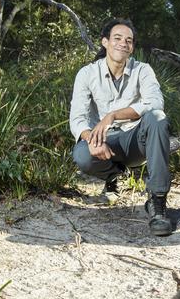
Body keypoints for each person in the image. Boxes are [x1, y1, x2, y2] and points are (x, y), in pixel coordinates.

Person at [69, 18, 173, 237]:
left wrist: (113, 115)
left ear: (132, 47)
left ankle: (157, 202)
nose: (123, 43)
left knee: (157, 117)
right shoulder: (87, 74)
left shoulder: (143, 70)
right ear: (105, 42)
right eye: (117, 38)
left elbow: (155, 103)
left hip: (137, 138)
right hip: (106, 141)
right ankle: (115, 175)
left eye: (129, 40)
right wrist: (91, 139)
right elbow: (77, 119)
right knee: (82, 155)